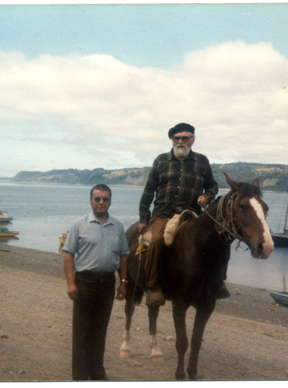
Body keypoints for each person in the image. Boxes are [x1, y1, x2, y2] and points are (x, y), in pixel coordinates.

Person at [139, 122, 223, 307]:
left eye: (185, 138)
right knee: (158, 240)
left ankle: (217, 282)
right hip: (163, 213)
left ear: (192, 140)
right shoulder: (161, 161)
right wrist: (144, 218)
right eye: (176, 138)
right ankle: (152, 286)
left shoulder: (202, 161)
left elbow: (212, 186)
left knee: (217, 238)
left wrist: (206, 196)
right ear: (172, 140)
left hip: (191, 213)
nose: (180, 141)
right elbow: (148, 192)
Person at [63, 184, 129, 381]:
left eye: (105, 199)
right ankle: (81, 378)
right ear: (90, 200)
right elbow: (68, 255)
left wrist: (123, 282)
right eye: (97, 199)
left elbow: (124, 256)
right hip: (84, 283)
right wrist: (70, 283)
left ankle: (97, 373)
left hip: (107, 284)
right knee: (82, 333)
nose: (101, 203)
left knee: (100, 331)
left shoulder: (118, 226)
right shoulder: (79, 224)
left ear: (110, 201)